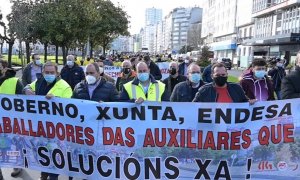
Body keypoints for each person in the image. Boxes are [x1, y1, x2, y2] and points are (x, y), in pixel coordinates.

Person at [24, 62, 72, 180]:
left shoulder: (65, 86)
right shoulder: (39, 81)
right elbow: (27, 86)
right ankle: (43, 175)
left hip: (56, 130)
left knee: (55, 156)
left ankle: (53, 176)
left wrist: (56, 100)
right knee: (42, 153)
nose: (49, 74)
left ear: (57, 73)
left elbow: (70, 109)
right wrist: (27, 90)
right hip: (40, 127)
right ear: (43, 72)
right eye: (47, 72)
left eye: (52, 73)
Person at [0, 60, 24, 178]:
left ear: (4, 68)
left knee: (13, 144)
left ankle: (17, 165)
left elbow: (22, 100)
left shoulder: (14, 81)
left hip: (11, 121)